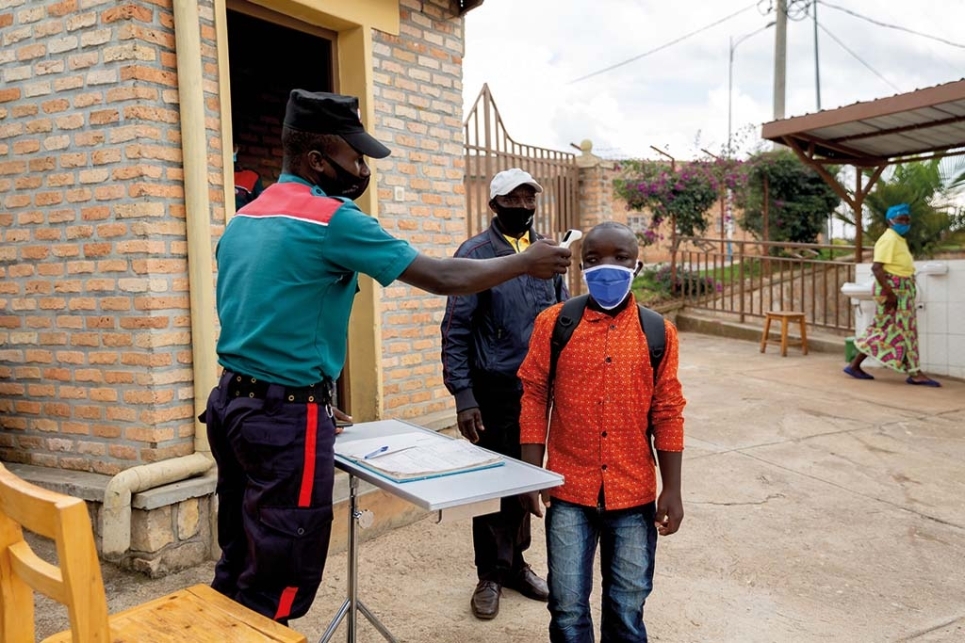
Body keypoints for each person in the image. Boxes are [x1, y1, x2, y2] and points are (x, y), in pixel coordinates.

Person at [202, 89, 572, 624]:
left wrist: (312, 391)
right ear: (315, 159)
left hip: (231, 405)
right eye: (354, 157)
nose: (360, 169)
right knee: (280, 574)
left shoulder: (246, 216)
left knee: (239, 555)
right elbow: (442, 277)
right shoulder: (334, 219)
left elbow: (259, 313)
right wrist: (525, 263)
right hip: (283, 421)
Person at [517, 222, 686, 642]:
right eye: (593, 260)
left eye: (620, 258)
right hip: (569, 490)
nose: (606, 268)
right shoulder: (555, 324)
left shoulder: (657, 332)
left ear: (638, 266)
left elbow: (668, 411)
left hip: (634, 494)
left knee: (628, 606)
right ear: (579, 266)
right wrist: (530, 473)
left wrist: (673, 489)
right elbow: (535, 396)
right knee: (567, 606)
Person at [441, 168, 568, 620]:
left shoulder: (548, 253)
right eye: (512, 199)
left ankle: (516, 565)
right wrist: (463, 395)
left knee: (524, 479)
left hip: (535, 390)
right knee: (492, 481)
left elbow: (561, 318)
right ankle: (489, 574)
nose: (523, 207)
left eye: (529, 198)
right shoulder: (475, 255)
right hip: (492, 390)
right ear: (494, 206)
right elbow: (455, 329)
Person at [844, 203, 941, 387]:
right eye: (900, 219)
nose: (904, 222)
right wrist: (890, 294)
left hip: (901, 289)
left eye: (907, 219)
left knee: (887, 330)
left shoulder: (898, 239)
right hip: (894, 290)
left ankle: (855, 365)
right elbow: (877, 267)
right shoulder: (889, 239)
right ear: (890, 220)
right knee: (903, 332)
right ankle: (915, 373)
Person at [233, 144, 264, 210]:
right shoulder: (211, 176)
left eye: (233, 147)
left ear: (236, 149)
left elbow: (260, 207)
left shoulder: (251, 177)